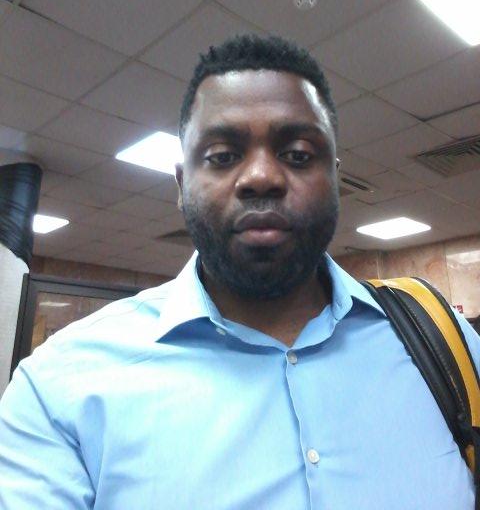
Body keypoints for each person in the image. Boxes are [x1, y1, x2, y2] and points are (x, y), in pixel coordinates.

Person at [0, 35, 478, 509]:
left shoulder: (440, 338)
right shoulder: (61, 386)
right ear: (182, 185)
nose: (261, 177)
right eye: (223, 156)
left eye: (297, 154)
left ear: (335, 178)